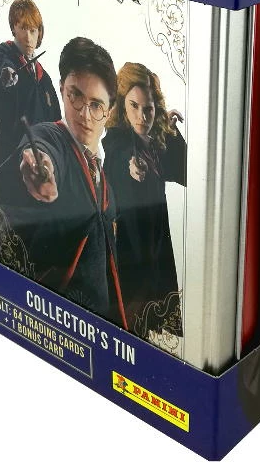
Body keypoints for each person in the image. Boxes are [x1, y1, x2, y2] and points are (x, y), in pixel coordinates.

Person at [0, 37, 128, 328]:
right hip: (54, 322)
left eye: (96, 105)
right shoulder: (50, 136)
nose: (84, 113)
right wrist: (38, 166)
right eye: (75, 96)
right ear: (61, 89)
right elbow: (41, 150)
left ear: (109, 112)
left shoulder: (106, 181)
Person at [103, 62, 186, 339]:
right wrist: (133, 167)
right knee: (131, 324)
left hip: (156, 246)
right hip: (130, 250)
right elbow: (120, 161)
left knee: (155, 327)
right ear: (123, 106)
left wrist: (171, 132)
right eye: (134, 106)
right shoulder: (117, 143)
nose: (141, 116)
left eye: (148, 109)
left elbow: (187, 173)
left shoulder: (155, 140)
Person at [0, 0, 60, 191]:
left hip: (38, 168)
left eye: (33, 30)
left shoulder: (44, 78)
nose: (28, 37)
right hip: (7, 163)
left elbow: (55, 122)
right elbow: (4, 75)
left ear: (39, 33)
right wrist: (7, 78)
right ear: (14, 27)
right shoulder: (3, 54)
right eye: (22, 28)